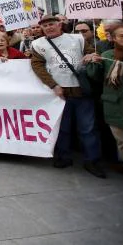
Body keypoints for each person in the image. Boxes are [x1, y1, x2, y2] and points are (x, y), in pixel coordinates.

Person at [29, 14, 105, 177]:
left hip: (80, 90)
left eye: (51, 24)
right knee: (62, 128)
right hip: (58, 93)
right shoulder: (38, 44)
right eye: (45, 25)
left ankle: (92, 160)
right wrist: (53, 85)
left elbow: (91, 53)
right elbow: (37, 66)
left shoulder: (77, 39)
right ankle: (63, 157)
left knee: (88, 128)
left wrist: (92, 56)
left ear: (59, 24)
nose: (48, 27)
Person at [86, 23, 123, 191]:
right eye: (122, 36)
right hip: (116, 109)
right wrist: (93, 63)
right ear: (114, 38)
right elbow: (95, 78)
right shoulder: (107, 55)